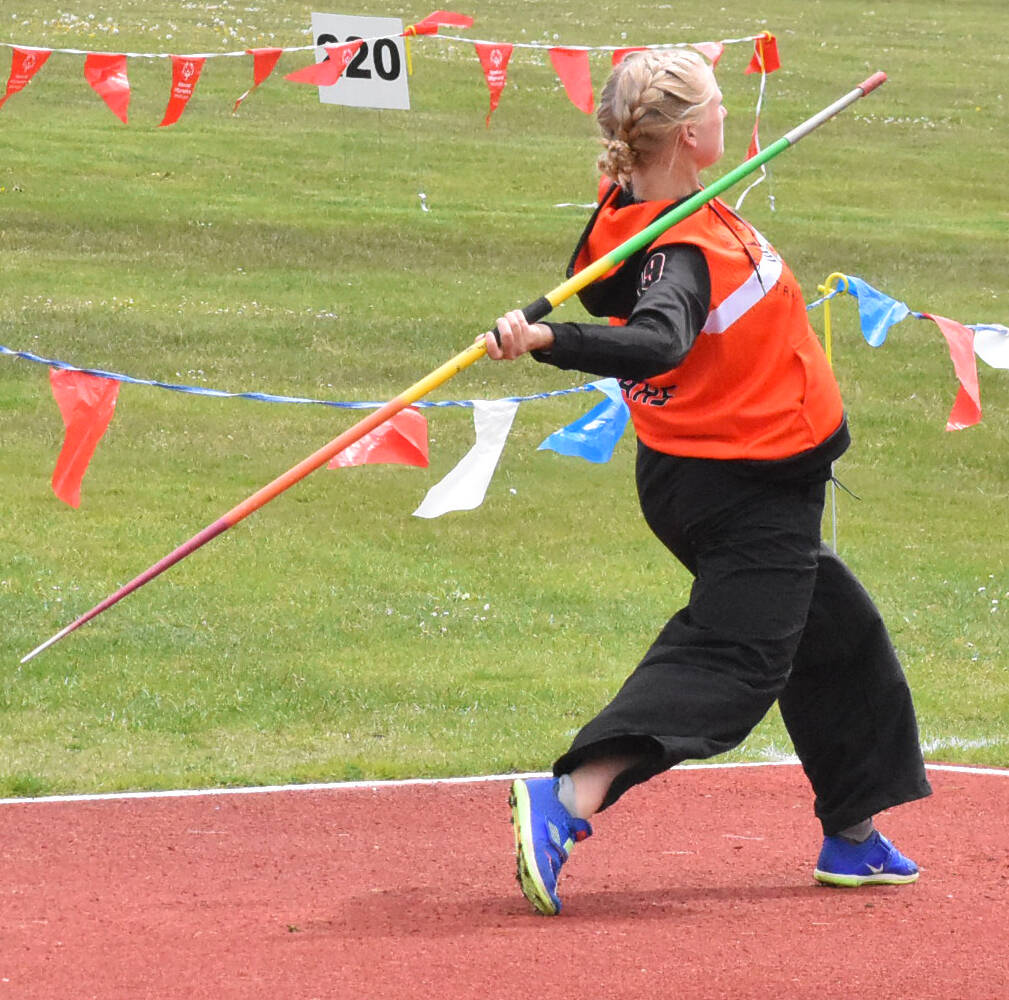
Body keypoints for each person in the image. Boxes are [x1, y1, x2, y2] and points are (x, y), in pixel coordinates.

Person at [483, 48, 932, 916]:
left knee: (832, 636)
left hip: (720, 472)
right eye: (721, 106)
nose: (734, 118)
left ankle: (852, 834)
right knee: (735, 661)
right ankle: (569, 797)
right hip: (740, 486)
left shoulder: (646, 206)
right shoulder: (676, 249)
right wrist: (550, 342)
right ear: (690, 136)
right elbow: (659, 338)